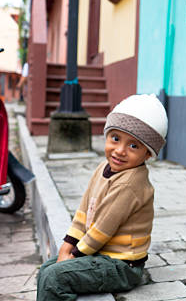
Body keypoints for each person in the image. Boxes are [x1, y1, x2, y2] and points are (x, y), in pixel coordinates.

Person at [37, 94, 168, 301]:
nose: (120, 151)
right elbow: (83, 211)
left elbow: (103, 229)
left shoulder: (130, 184)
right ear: (106, 136)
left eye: (133, 146)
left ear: (147, 154)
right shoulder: (102, 169)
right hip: (100, 254)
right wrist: (66, 247)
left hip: (123, 265)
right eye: (115, 138)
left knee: (55, 277)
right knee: (46, 269)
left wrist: (73, 256)